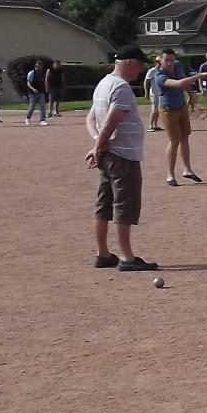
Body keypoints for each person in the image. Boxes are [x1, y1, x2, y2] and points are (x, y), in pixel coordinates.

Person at [83, 46, 160, 272]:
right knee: (124, 205)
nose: (141, 69)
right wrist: (98, 147)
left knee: (103, 204)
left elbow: (90, 119)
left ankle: (103, 254)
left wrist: (98, 143)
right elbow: (111, 121)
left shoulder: (103, 83)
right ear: (129, 62)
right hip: (123, 155)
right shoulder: (121, 87)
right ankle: (127, 258)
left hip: (109, 154)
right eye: (139, 63)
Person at [150, 50, 207, 187]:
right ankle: (170, 175)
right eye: (167, 60)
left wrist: (190, 95)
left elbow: (183, 79)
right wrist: (199, 76)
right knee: (174, 140)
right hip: (168, 110)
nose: (170, 63)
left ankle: (187, 170)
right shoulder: (159, 75)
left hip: (181, 106)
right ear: (161, 61)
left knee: (185, 137)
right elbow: (178, 83)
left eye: (172, 59)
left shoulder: (177, 65)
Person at [24, 58, 50, 125]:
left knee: (42, 106)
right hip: (32, 93)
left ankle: (42, 120)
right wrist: (33, 89)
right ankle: (28, 118)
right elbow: (28, 83)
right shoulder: (31, 73)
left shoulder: (42, 73)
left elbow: (44, 81)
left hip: (41, 92)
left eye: (41, 66)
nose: (39, 68)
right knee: (32, 106)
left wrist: (46, 88)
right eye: (38, 66)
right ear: (36, 66)